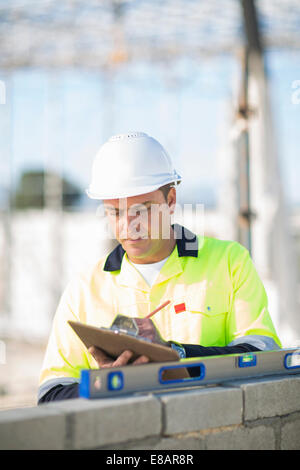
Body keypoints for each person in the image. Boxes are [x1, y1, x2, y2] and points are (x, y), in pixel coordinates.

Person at [38, 132, 281, 403]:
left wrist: (175, 355)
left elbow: (261, 355)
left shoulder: (229, 261)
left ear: (171, 201)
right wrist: (105, 386)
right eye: (115, 212)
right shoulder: (85, 289)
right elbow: (51, 393)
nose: (129, 224)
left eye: (143, 209)